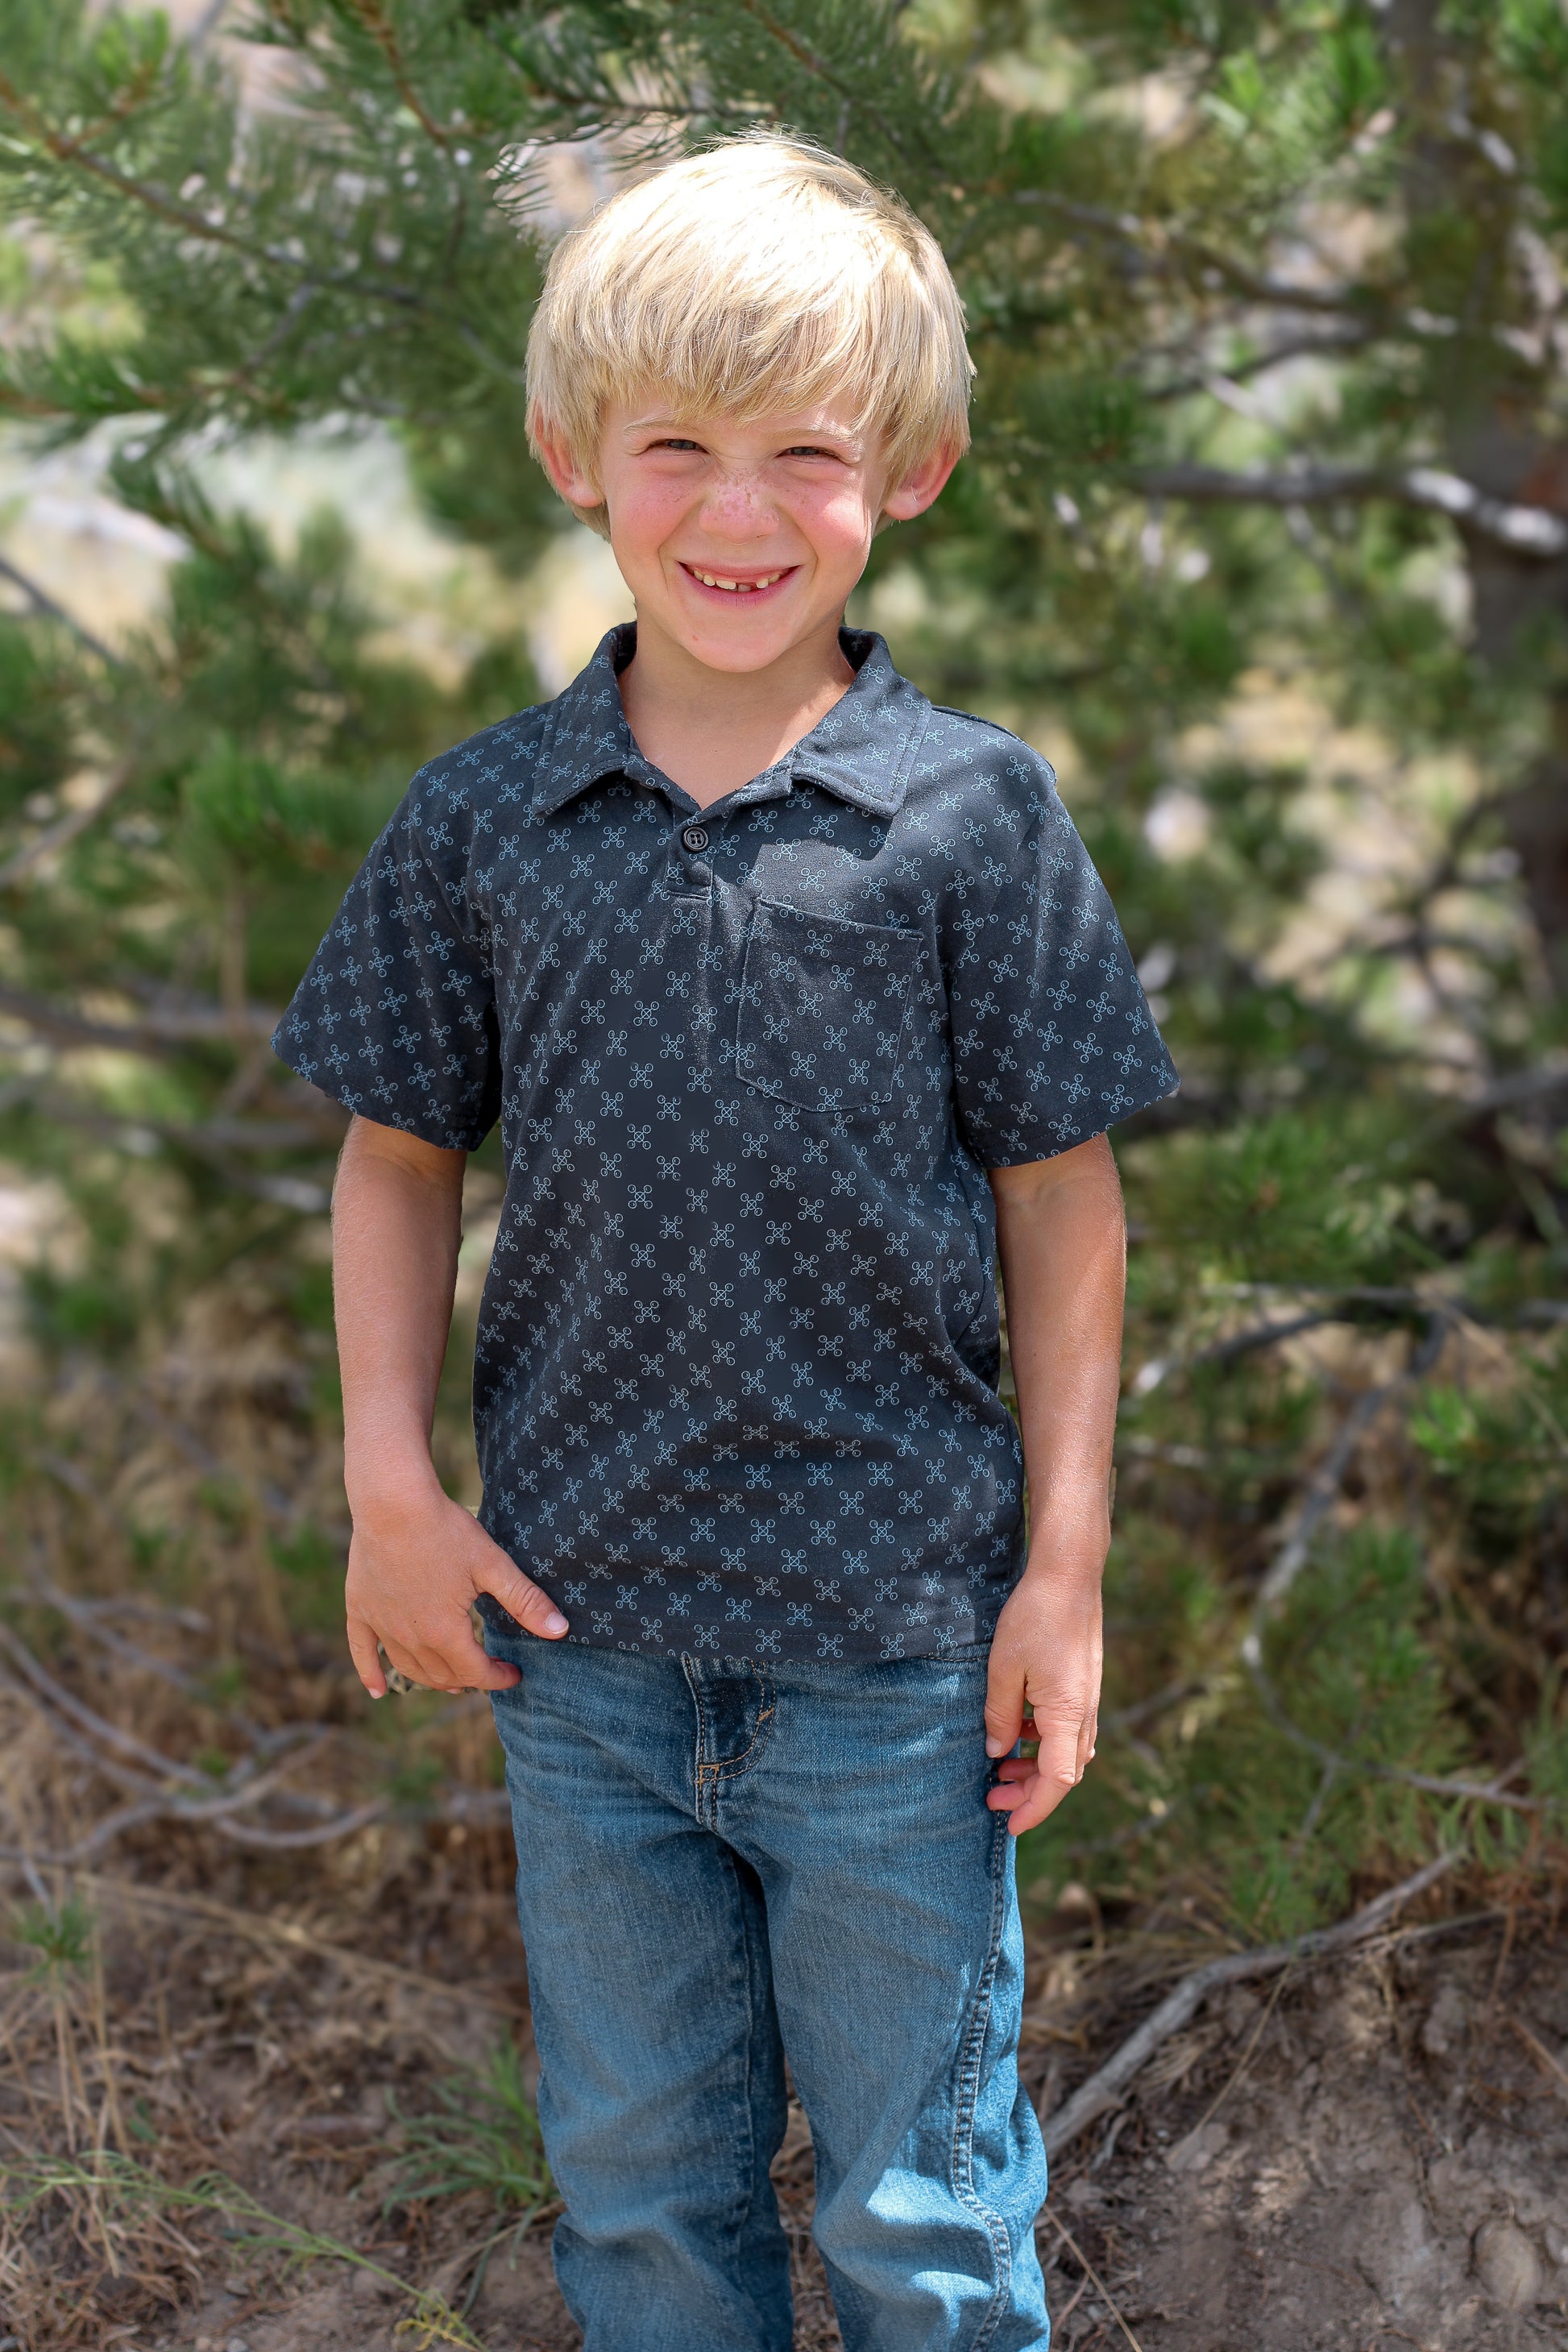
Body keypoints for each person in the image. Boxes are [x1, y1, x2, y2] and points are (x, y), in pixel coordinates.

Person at [273, 132, 1177, 2352]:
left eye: (807, 452)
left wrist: (1061, 1572)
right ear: (571, 455)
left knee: (921, 2217)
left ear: (913, 471)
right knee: (643, 2204)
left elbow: (1062, 1194)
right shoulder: (488, 816)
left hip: (897, 1652)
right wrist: (390, 1488)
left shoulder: (970, 813)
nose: (738, 510)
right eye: (676, 445)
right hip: (576, 1644)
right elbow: (396, 1158)